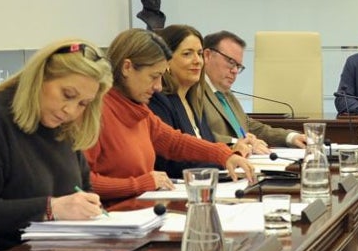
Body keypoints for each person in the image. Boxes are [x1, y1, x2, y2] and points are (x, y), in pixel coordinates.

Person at [85, 30, 255, 205]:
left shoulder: (138, 109)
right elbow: (82, 182)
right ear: (127, 67)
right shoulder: (96, 112)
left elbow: (175, 142)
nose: (158, 87)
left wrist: (224, 154)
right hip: (110, 218)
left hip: (139, 213)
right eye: (154, 76)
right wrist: (139, 184)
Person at [0, 40, 112, 251]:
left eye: (83, 103)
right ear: (40, 78)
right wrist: (50, 208)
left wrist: (89, 207)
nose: (70, 110)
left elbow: (84, 189)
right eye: (68, 95)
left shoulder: (63, 124)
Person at [201, 31, 305, 149]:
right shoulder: (193, 92)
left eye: (238, 66)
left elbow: (249, 126)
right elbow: (197, 134)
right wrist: (239, 142)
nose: (235, 71)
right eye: (230, 62)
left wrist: (290, 137)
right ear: (207, 55)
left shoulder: (225, 94)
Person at [148, 25, 228, 178]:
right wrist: (225, 158)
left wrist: (230, 154)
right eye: (187, 54)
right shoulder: (157, 101)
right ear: (166, 61)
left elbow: (207, 146)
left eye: (199, 54)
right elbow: (171, 162)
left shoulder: (193, 100)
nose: (197, 61)